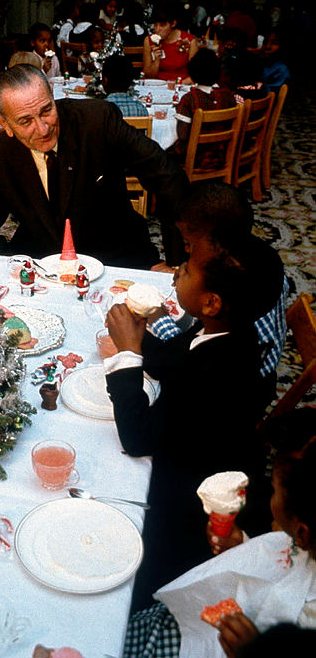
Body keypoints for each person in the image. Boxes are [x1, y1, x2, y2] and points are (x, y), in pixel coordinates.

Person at [105, 232, 278, 612]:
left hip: (182, 505)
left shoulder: (213, 376)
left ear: (211, 302)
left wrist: (128, 356)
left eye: (185, 269)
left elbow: (137, 439)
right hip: (196, 447)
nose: (175, 273)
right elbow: (174, 358)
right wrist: (138, 339)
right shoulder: (224, 332)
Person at [0, 64, 189, 269]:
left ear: (53, 98)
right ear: (4, 124)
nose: (43, 129)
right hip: (40, 263)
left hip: (119, 257)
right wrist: (12, 267)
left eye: (46, 111)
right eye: (26, 121)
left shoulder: (97, 120)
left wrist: (177, 263)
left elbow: (168, 177)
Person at [122, 431, 316, 658]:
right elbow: (274, 566)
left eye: (274, 491)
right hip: (187, 618)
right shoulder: (303, 539)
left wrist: (254, 650)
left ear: (301, 533)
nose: (271, 497)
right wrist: (242, 546)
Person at [149, 183, 288, 395]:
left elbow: (194, 359)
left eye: (190, 244)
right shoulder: (259, 267)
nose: (185, 250)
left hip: (244, 389)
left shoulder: (243, 297)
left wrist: (159, 322)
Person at [168, 50, 238, 161]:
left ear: (192, 74)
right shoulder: (228, 95)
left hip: (195, 156)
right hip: (221, 153)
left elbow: (182, 135)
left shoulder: (189, 99)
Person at [143, 0, 199, 83]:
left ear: (173, 24)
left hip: (181, 83)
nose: (157, 29)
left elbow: (195, 75)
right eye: (155, 25)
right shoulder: (149, 41)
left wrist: (177, 85)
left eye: (162, 25)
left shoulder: (189, 41)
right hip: (158, 83)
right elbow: (148, 76)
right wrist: (156, 60)